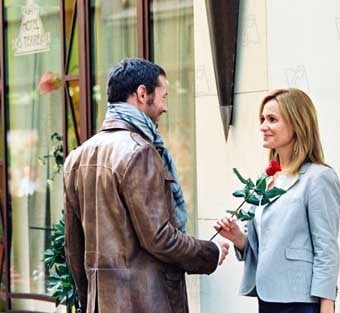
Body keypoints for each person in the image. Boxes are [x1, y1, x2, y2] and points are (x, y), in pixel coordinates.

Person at [64, 58, 229, 313]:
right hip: (147, 303)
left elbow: (73, 248)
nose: (165, 107)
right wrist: (211, 252)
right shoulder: (140, 151)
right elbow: (160, 238)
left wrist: (90, 302)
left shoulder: (77, 157)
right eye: (163, 96)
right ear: (142, 94)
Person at [215, 88, 340, 313]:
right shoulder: (265, 179)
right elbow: (262, 247)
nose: (263, 126)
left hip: (302, 302)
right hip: (268, 299)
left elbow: (326, 249)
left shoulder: (318, 178)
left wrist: (327, 304)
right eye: (262, 119)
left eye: (272, 119)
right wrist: (238, 238)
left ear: (297, 123)